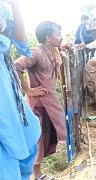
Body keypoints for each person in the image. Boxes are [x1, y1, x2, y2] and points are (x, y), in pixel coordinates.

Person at [15, 21, 69, 179]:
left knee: (47, 137)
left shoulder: (53, 50)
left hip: (51, 102)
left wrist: (65, 46)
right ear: (47, 37)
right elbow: (16, 66)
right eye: (58, 34)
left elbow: (60, 48)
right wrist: (28, 90)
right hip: (39, 104)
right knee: (38, 139)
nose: (60, 37)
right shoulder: (36, 52)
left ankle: (37, 174)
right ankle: (34, 175)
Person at [0, 0, 41, 179]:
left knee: (24, 134)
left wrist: (15, 5)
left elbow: (20, 42)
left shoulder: (5, 8)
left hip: (6, 83)